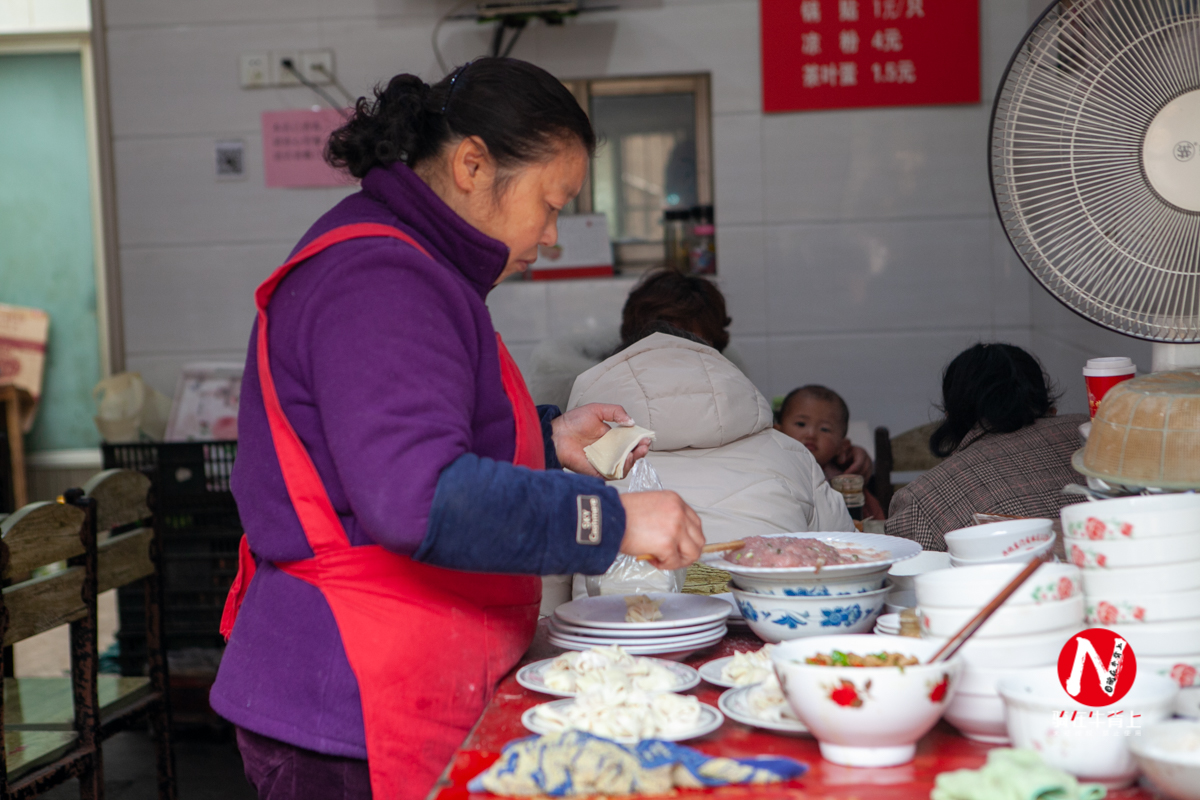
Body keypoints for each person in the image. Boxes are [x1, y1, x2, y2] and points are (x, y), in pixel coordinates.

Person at [209, 58, 704, 800]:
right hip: (349, 700)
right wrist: (613, 520)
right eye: (551, 202)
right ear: (473, 163)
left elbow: (394, 443)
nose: (553, 234)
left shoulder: (408, 261)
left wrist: (546, 440)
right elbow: (416, 496)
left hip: (381, 677)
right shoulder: (380, 276)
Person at [555, 327, 853, 599]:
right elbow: (846, 558)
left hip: (613, 643)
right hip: (768, 625)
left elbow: (543, 598)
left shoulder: (574, 458)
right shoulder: (791, 451)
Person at [885, 343, 1087, 551]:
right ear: (1048, 406)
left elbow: (908, 578)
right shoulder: (1092, 431)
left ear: (950, 418)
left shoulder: (921, 501)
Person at [526, 270, 745, 410]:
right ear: (631, 346)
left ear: (715, 348)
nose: (678, 363)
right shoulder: (579, 416)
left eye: (693, 349)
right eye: (664, 347)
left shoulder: (738, 412)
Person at [774, 385, 887, 521]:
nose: (811, 434)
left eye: (824, 429)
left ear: (842, 446)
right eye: (801, 424)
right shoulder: (770, 468)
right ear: (777, 432)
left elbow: (875, 522)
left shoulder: (844, 482)